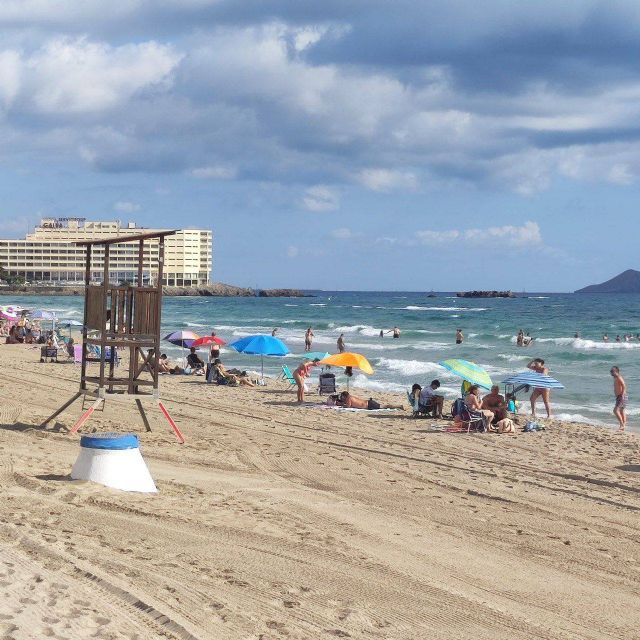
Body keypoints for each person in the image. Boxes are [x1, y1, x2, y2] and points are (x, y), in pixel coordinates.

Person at [336, 391, 404, 410]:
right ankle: (398, 406)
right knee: (385, 406)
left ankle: (399, 406)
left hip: (369, 405)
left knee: (385, 406)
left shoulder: (348, 398)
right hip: (369, 402)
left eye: (342, 397)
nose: (342, 398)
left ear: (345, 396)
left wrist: (340, 404)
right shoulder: (350, 397)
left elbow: (348, 406)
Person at [611, 366, 627, 431]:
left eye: (613, 371)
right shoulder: (616, 378)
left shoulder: (619, 377)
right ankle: (623, 425)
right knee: (622, 411)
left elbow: (624, 385)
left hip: (621, 396)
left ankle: (622, 424)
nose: (611, 373)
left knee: (615, 410)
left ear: (617, 372)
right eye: (611, 371)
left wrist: (622, 395)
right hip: (619, 396)